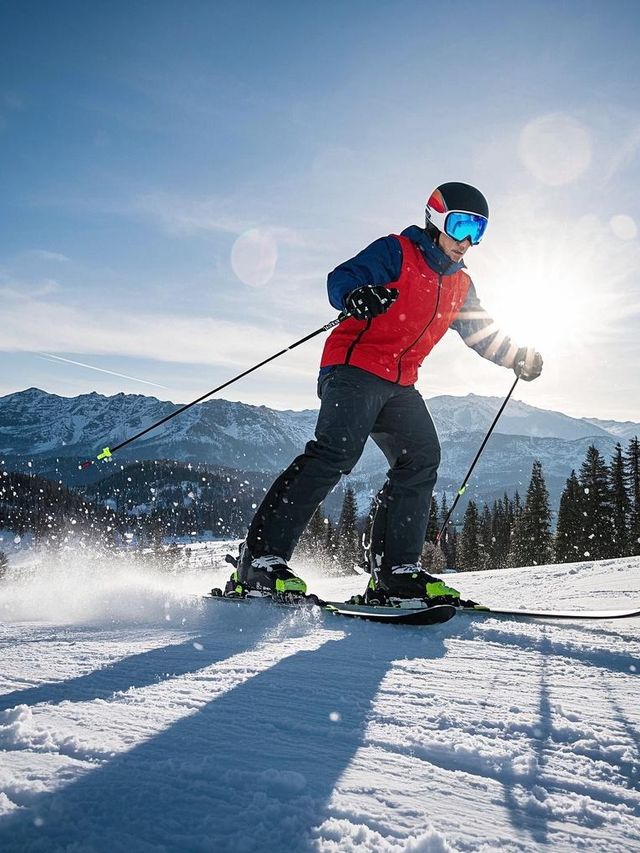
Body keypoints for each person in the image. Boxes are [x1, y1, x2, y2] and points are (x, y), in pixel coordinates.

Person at [227, 182, 543, 604]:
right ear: (435, 220)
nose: (467, 242)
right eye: (461, 226)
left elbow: (480, 334)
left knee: (421, 457)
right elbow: (342, 278)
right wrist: (356, 295)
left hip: (400, 383)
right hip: (352, 368)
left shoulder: (460, 285)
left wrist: (516, 356)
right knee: (335, 453)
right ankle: (259, 563)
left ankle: (395, 573)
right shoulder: (397, 251)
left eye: (478, 231)